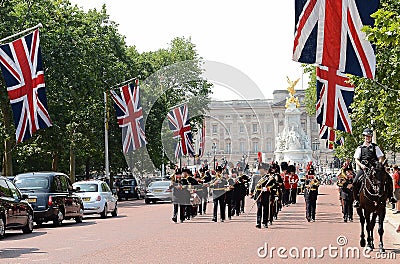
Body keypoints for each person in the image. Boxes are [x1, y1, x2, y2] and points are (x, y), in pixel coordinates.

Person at [353, 128, 397, 207]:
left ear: (371, 137)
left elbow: (380, 157)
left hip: (375, 168)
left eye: (369, 136)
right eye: (366, 136)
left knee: (388, 179)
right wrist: (361, 165)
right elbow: (356, 159)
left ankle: (390, 197)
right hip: (364, 168)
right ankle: (356, 200)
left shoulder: (375, 147)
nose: (368, 138)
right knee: (355, 182)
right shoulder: (360, 148)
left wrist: (379, 164)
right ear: (364, 137)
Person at [250, 163, 271, 229]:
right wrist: (252, 192)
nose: (261, 170)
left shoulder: (268, 177)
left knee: (265, 209)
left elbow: (272, 185)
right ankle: (258, 222)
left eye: (262, 169)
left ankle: (265, 222)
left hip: (265, 194)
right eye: (260, 169)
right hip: (258, 194)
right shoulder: (255, 176)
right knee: (259, 208)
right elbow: (253, 185)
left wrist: (267, 188)